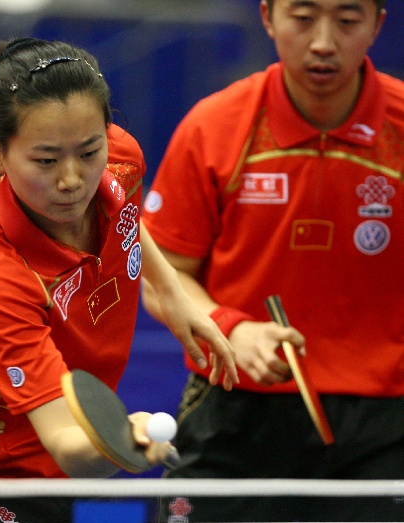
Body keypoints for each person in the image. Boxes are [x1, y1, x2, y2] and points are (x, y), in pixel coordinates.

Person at [0, 37, 239, 523]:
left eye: (88, 151)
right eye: (46, 160)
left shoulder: (119, 159)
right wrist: (123, 439)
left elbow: (124, 212)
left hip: (41, 473)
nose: (72, 180)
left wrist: (173, 294)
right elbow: (67, 443)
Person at [142, 0, 403, 521]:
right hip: (233, 405)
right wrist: (229, 328)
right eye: (303, 18)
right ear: (267, 17)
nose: (323, 42)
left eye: (347, 20)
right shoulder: (214, 126)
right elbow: (160, 279)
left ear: (378, 23)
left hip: (386, 419)